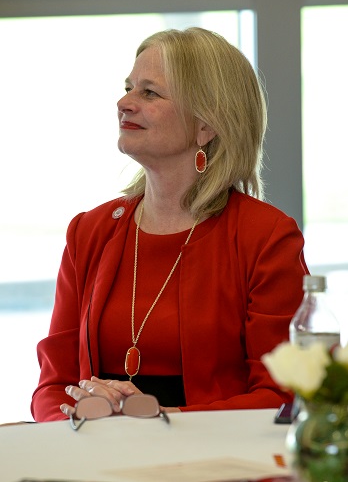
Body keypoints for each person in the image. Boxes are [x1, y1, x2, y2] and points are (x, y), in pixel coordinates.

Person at [31, 27, 308, 422]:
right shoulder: (88, 232)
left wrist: (163, 421)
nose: (123, 102)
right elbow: (53, 386)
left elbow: (280, 395)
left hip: (215, 466)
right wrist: (76, 428)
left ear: (205, 125)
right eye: (128, 87)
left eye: (149, 92)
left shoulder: (266, 237)